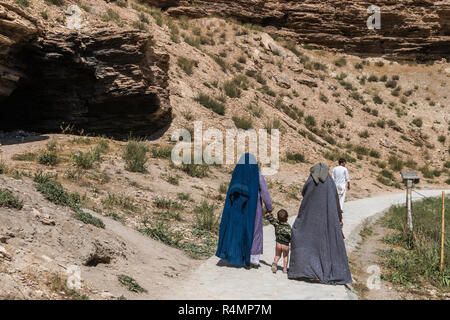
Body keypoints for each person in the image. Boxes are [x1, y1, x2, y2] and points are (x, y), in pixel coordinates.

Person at [288, 163, 352, 285]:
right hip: (327, 217)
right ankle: (323, 270)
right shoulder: (329, 182)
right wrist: (339, 217)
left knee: (304, 238)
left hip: (310, 216)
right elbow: (336, 200)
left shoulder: (311, 180)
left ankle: (305, 270)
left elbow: (304, 192)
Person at [216, 153, 272, 268]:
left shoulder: (237, 174)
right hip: (253, 208)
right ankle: (252, 258)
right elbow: (265, 192)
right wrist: (269, 208)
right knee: (254, 231)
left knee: (238, 231)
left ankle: (235, 255)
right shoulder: (257, 175)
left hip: (236, 209)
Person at [265, 209, 292, 274]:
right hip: (285, 245)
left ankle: (275, 263)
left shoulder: (277, 223)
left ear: (278, 217)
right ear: (287, 218)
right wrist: (292, 244)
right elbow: (291, 237)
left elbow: (272, 220)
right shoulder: (288, 227)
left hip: (278, 243)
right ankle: (285, 269)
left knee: (277, 255)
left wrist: (268, 215)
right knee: (285, 256)